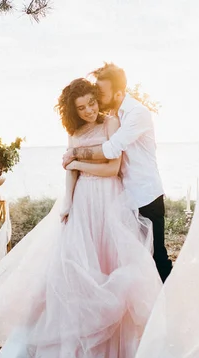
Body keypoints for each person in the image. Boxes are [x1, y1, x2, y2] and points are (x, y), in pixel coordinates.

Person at [0, 78, 162, 358]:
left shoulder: (111, 123)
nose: (88, 111)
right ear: (72, 110)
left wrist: (79, 162)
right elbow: (69, 174)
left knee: (108, 264)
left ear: (99, 100)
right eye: (81, 107)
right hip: (83, 202)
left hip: (110, 201)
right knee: (71, 267)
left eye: (91, 103)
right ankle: (45, 345)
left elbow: (113, 168)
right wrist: (68, 203)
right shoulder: (74, 133)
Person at [62, 63, 173, 282]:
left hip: (145, 193)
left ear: (119, 93)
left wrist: (74, 154)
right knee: (134, 257)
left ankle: (167, 304)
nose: (98, 98)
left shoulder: (136, 113)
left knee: (156, 255)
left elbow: (111, 149)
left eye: (101, 94)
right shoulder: (114, 113)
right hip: (125, 195)